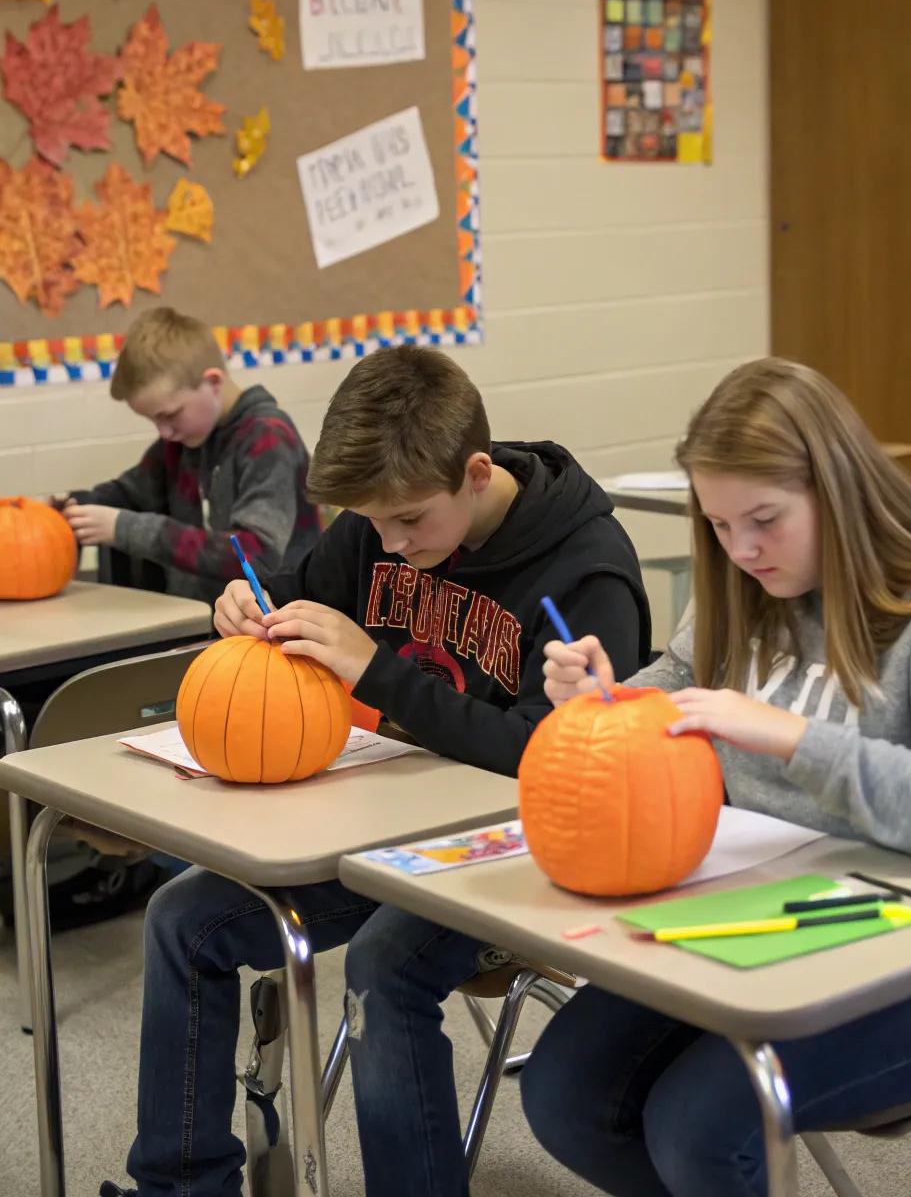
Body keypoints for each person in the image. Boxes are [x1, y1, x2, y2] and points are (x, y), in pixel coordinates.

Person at [102, 344, 650, 1197]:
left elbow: (558, 757)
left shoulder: (587, 568)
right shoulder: (380, 521)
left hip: (522, 846)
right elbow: (308, 587)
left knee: (385, 965)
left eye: (408, 523)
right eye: (371, 523)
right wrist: (252, 602)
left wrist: (378, 673)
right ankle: (179, 1188)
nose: (389, 544)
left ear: (474, 473)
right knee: (184, 917)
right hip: (391, 827)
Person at [522, 356, 911, 1197]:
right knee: (566, 1093)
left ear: (837, 489)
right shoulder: (743, 588)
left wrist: (795, 740)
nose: (742, 549)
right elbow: (676, 697)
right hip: (776, 916)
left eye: (765, 519)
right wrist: (603, 696)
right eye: (718, 526)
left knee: (702, 1126)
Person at [57, 307, 319, 607]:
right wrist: (68, 508)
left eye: (170, 415)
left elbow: (254, 554)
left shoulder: (269, 439)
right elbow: (128, 494)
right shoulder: (183, 440)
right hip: (207, 619)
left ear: (213, 382)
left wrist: (126, 529)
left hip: (277, 625)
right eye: (154, 422)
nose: (165, 432)